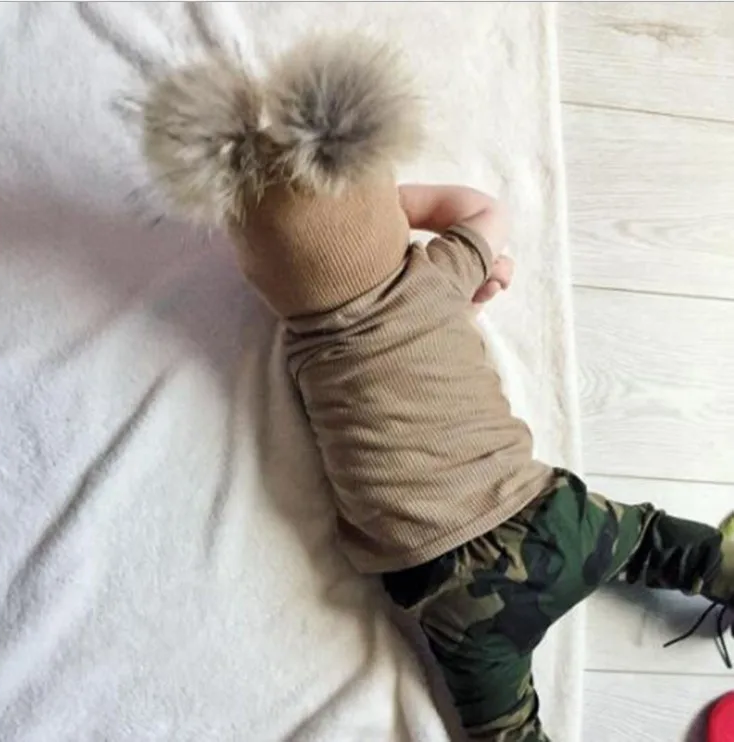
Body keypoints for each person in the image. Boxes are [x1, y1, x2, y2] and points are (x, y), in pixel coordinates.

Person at [139, 35, 733, 741]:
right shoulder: (433, 276)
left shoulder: (305, 357)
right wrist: (410, 210)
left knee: (504, 731)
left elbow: (385, 382)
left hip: (454, 595)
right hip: (547, 517)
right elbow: (487, 214)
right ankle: (719, 566)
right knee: (651, 541)